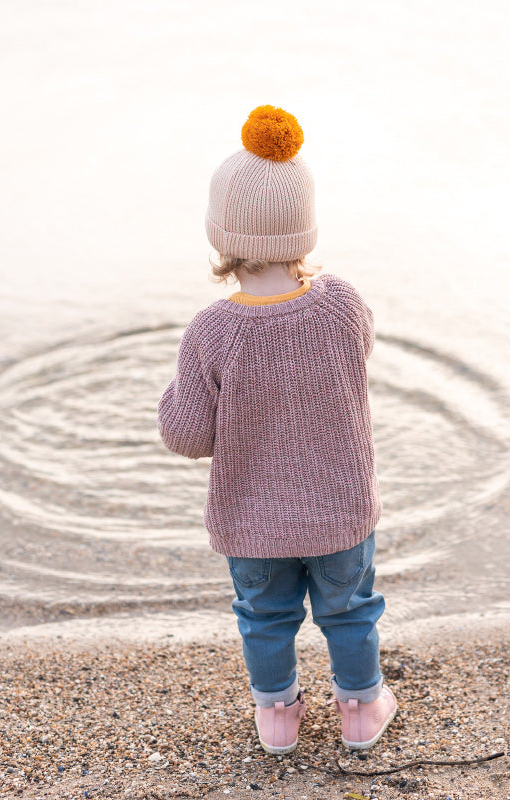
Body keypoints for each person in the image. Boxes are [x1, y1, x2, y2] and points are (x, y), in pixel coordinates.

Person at [157, 105, 396, 755]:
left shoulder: (213, 331)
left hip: (255, 525)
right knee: (349, 610)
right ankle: (360, 709)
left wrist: (172, 399)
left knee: (265, 619)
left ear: (222, 238)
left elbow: (187, 435)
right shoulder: (342, 303)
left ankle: (278, 718)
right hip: (339, 511)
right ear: (304, 230)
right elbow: (358, 354)